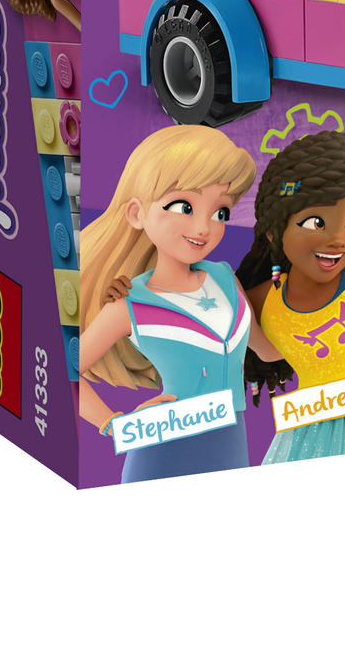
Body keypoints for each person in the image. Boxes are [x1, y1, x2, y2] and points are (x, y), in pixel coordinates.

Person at [76, 126, 258, 481]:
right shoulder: (130, 304)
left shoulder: (224, 278)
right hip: (163, 454)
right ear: (136, 214)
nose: (203, 227)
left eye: (220, 212)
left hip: (232, 447)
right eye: (183, 207)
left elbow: (268, 349)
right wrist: (114, 424)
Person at [237, 131, 345, 463]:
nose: (338, 240)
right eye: (316, 222)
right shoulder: (262, 300)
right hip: (304, 435)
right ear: (275, 231)